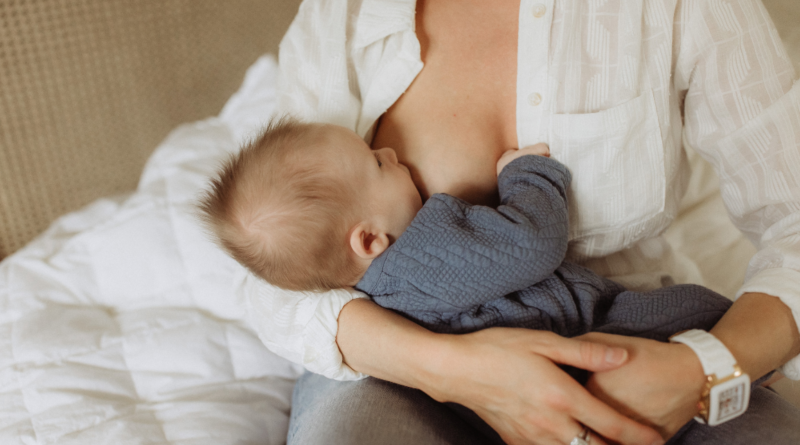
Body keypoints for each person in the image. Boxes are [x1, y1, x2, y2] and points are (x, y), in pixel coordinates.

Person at [241, 1, 800, 444]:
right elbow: (277, 270)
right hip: (401, 364)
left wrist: (705, 366)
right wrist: (452, 369)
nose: (390, 161)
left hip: (633, 349)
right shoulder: (345, 14)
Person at [201, 118, 732, 348]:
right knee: (698, 309)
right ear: (369, 240)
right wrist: (527, 174)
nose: (388, 152)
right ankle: (754, 362)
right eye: (376, 164)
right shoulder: (429, 251)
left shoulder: (377, 286)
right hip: (583, 330)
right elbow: (530, 243)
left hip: (546, 346)